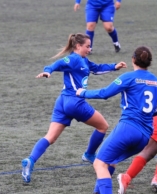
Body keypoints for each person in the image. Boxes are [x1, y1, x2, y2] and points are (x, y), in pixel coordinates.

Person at [21, 33, 127, 184]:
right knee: (103, 126)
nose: (89, 49)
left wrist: (114, 67)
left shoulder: (84, 60)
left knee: (50, 137)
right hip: (74, 102)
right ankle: (89, 155)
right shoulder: (74, 58)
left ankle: (30, 160)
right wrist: (48, 70)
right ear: (78, 46)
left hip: (62, 102)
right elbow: (58, 64)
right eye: (87, 46)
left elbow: (96, 68)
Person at [76, 46, 157, 194]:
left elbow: (104, 93)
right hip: (145, 135)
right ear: (149, 63)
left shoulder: (128, 77)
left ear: (133, 60)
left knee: (98, 162)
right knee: (109, 161)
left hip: (128, 128)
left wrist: (83, 93)